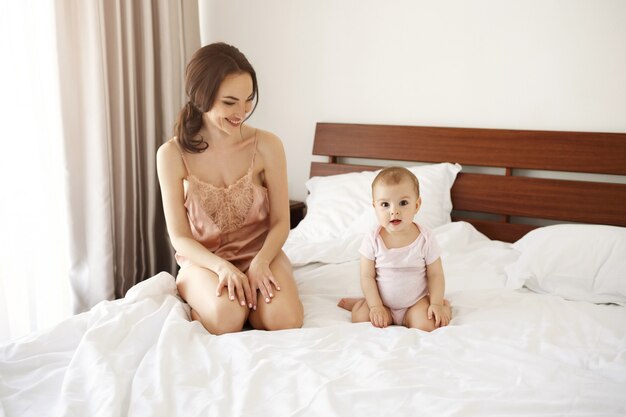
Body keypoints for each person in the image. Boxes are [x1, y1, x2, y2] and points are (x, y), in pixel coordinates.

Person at [156, 43, 303, 334]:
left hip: (260, 255)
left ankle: (252, 305)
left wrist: (261, 262)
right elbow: (180, 238)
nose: (243, 112)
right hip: (206, 264)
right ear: (201, 97)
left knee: (284, 320)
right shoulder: (171, 155)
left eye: (249, 99)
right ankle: (214, 307)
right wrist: (221, 267)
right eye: (230, 102)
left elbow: (280, 223)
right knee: (227, 318)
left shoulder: (267, 146)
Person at [338, 167, 451, 331]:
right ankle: (360, 303)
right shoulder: (373, 239)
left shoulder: (425, 239)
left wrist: (436, 303)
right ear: (375, 207)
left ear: (417, 205)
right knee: (360, 319)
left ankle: (445, 306)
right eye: (385, 204)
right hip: (382, 303)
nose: (394, 211)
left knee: (427, 325)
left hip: (415, 303)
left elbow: (435, 274)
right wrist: (375, 306)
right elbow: (366, 276)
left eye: (403, 203)